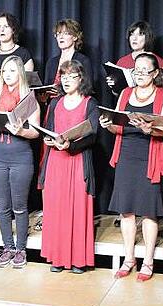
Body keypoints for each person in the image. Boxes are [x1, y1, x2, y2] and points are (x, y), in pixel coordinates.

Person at [100, 53, 163, 281]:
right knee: (127, 210)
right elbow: (118, 127)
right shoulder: (125, 93)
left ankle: (148, 261)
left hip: (148, 157)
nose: (140, 74)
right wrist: (108, 125)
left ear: (155, 73)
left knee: (149, 210)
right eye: (137, 70)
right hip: (126, 156)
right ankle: (129, 258)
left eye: (145, 70)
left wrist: (148, 129)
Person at [0, 55, 41, 268]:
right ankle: (8, 247)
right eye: (5, 71)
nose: (8, 75)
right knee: (2, 207)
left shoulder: (29, 97)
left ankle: (21, 249)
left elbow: (35, 132)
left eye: (13, 71)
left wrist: (22, 131)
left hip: (20, 156)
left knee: (19, 206)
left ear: (21, 74)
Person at [38, 60, 98, 273]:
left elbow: (93, 136)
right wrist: (49, 140)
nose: (66, 80)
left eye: (71, 76)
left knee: (77, 209)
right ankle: (58, 257)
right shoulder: (55, 103)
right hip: (56, 162)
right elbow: (49, 129)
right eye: (63, 76)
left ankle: (78, 260)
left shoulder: (90, 103)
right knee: (57, 209)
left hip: (78, 161)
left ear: (81, 78)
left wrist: (70, 145)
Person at [0, 12, 35, 94]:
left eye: (6, 26)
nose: (2, 30)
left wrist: (4, 80)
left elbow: (28, 83)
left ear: (13, 30)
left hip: (15, 102)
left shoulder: (23, 54)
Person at [107, 21, 163, 92]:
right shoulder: (122, 61)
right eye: (132, 34)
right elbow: (118, 94)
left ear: (147, 37)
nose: (134, 38)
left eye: (140, 34)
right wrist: (114, 86)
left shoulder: (159, 62)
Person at [44, 19, 93, 88]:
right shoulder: (51, 62)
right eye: (58, 34)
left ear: (75, 37)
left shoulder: (83, 61)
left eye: (65, 33)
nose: (61, 37)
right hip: (52, 98)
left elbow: (88, 87)